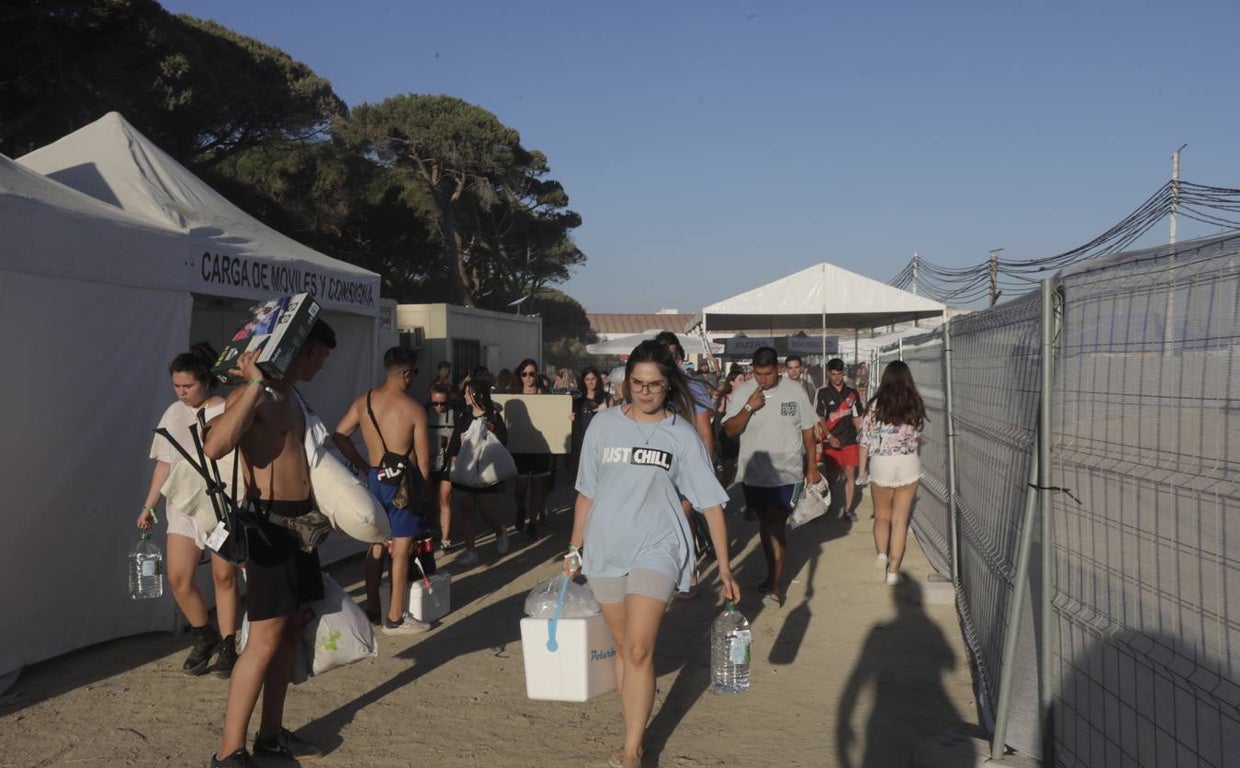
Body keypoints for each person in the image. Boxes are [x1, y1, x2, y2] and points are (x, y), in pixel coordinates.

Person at [565, 340, 738, 768]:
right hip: (605, 546)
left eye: (654, 385)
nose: (644, 392)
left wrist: (727, 568)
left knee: (640, 651)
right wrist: (574, 548)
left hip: (658, 547)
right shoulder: (602, 426)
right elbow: (587, 493)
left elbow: (710, 503)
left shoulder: (681, 434)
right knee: (624, 649)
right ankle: (633, 729)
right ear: (627, 383)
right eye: (637, 384)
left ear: (668, 384)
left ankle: (632, 748)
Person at [203, 319, 337, 767]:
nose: (320, 365)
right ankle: (228, 751)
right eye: (319, 355)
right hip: (270, 527)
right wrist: (254, 384)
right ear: (306, 350)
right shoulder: (252, 395)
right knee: (262, 640)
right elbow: (215, 445)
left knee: (287, 633)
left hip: (301, 527)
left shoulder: (295, 397)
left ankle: (271, 735)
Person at [138, 343, 240, 678]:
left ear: (207, 381)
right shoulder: (173, 413)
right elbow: (166, 463)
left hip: (222, 505)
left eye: (188, 386)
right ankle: (204, 634)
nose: (181, 393)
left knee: (223, 577)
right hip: (183, 505)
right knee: (178, 578)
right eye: (176, 386)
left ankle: (228, 643)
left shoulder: (227, 410)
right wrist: (149, 505)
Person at [332, 347, 432, 635]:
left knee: (375, 544)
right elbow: (423, 461)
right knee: (401, 550)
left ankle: (373, 607)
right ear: (407, 373)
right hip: (404, 482)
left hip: (376, 477)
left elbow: (339, 435)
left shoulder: (364, 401)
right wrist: (424, 496)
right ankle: (396, 617)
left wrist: (365, 465)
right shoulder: (414, 409)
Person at [722, 346, 820, 608]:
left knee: (776, 525)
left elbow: (809, 431)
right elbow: (730, 430)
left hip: (788, 475)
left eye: (767, 374)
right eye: (757, 373)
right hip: (753, 476)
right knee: (766, 527)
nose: (762, 380)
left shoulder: (795, 392)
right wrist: (748, 407)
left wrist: (812, 466)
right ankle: (771, 576)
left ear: (778, 369)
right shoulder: (744, 391)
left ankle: (775, 588)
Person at [857, 360, 925, 586]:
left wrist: (862, 472)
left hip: (881, 463)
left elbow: (865, 441)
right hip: (907, 463)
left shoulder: (875, 405)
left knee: (882, 516)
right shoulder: (914, 403)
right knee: (900, 520)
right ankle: (893, 572)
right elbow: (917, 435)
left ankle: (881, 555)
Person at [446, 376, 510, 567]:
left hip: (486, 472)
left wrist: (491, 432)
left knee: (487, 511)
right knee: (466, 511)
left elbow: (503, 443)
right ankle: (470, 551)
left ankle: (500, 530)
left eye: (467, 392)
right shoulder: (464, 417)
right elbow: (455, 444)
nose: (464, 395)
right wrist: (453, 467)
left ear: (476, 394)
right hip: (464, 472)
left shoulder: (493, 417)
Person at [816, 357, 864, 521]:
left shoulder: (852, 393)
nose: (837, 377)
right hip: (831, 442)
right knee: (832, 476)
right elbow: (820, 418)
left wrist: (862, 435)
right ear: (829, 374)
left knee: (850, 473)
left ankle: (849, 510)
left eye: (840, 374)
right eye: (833, 374)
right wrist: (828, 436)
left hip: (849, 440)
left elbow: (857, 417)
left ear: (843, 373)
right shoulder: (822, 393)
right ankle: (827, 503)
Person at [510, 358, 553, 537]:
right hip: (519, 448)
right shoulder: (513, 396)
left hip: (540, 448)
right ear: (520, 376)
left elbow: (554, 418)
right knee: (520, 488)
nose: (528, 378)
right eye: (525, 374)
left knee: (537, 488)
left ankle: (532, 522)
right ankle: (521, 508)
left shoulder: (546, 395)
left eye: (532, 374)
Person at [425, 382, 458, 549]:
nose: (439, 407)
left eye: (443, 403)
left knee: (445, 498)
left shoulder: (454, 414)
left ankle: (445, 538)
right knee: (430, 499)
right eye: (435, 403)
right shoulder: (424, 413)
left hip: (447, 462)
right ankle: (434, 529)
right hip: (428, 461)